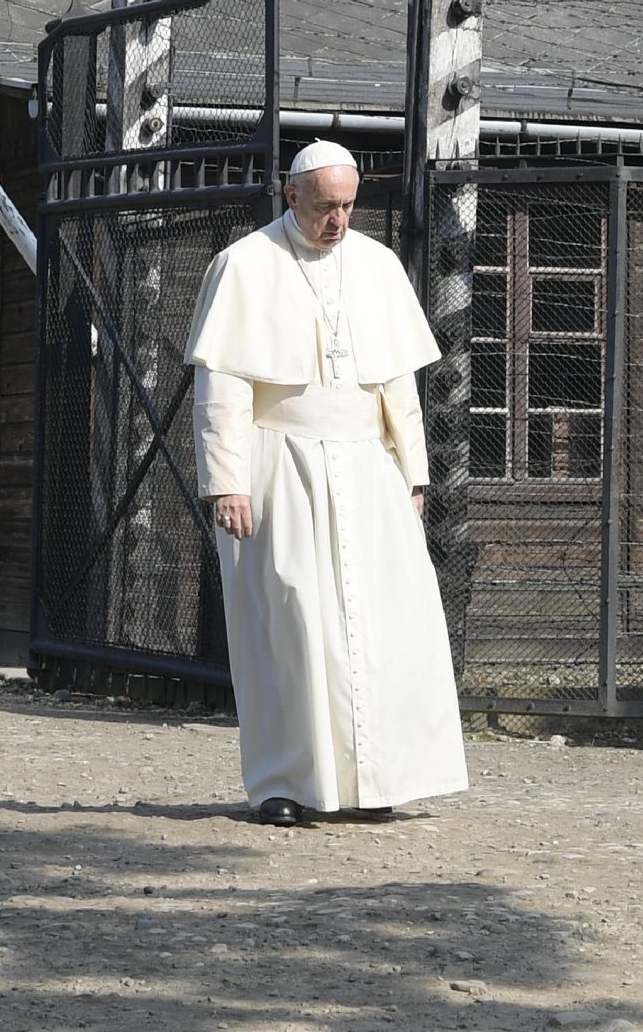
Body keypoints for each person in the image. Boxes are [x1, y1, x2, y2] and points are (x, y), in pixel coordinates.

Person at [184, 140, 467, 827]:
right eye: (325, 208)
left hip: (368, 466)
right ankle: (285, 784)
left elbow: (398, 384)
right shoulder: (246, 265)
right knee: (291, 624)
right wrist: (228, 482)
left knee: (378, 624)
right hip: (280, 462)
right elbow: (221, 387)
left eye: (347, 206)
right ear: (291, 197)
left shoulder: (377, 265)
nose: (338, 221)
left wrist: (414, 472)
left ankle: (372, 782)